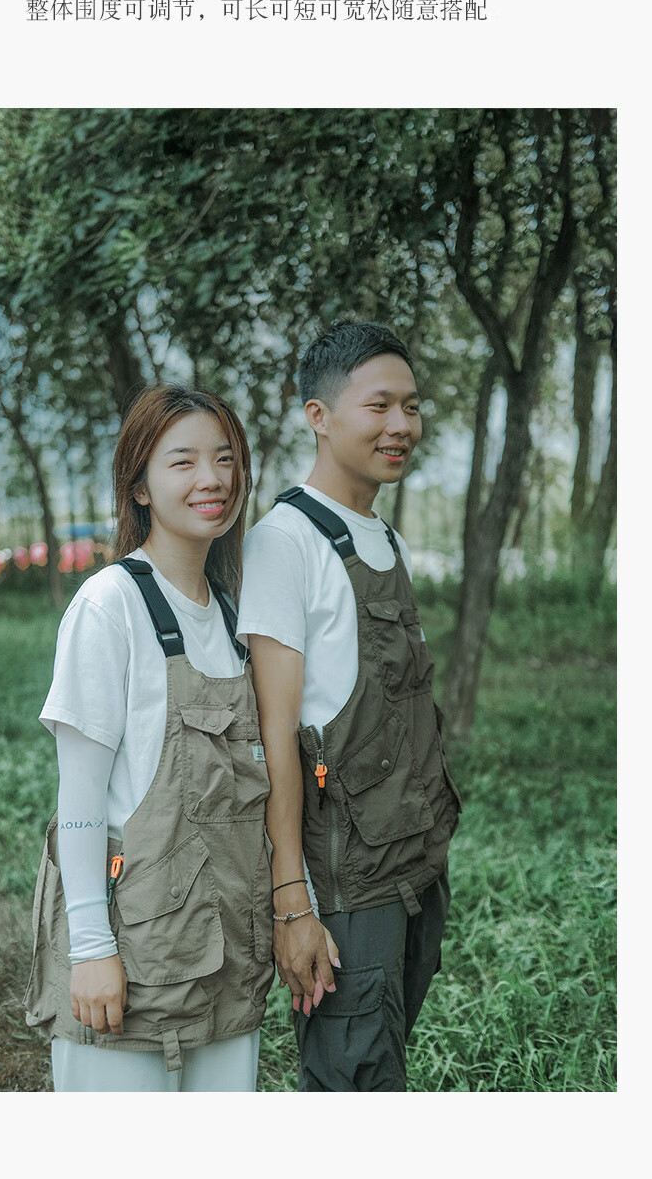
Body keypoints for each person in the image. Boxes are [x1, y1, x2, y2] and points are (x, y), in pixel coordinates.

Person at [23, 385, 274, 1092]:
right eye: (183, 461)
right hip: (131, 963)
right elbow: (79, 799)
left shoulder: (232, 615)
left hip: (226, 962)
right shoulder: (110, 604)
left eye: (224, 459)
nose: (212, 479)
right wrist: (91, 949)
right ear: (139, 486)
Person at [237, 320, 462, 1092]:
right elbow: (274, 737)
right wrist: (291, 902)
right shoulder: (285, 542)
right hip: (343, 890)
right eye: (379, 405)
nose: (401, 424)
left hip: (412, 869)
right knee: (352, 1086)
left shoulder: (386, 539)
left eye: (412, 406)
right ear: (319, 415)